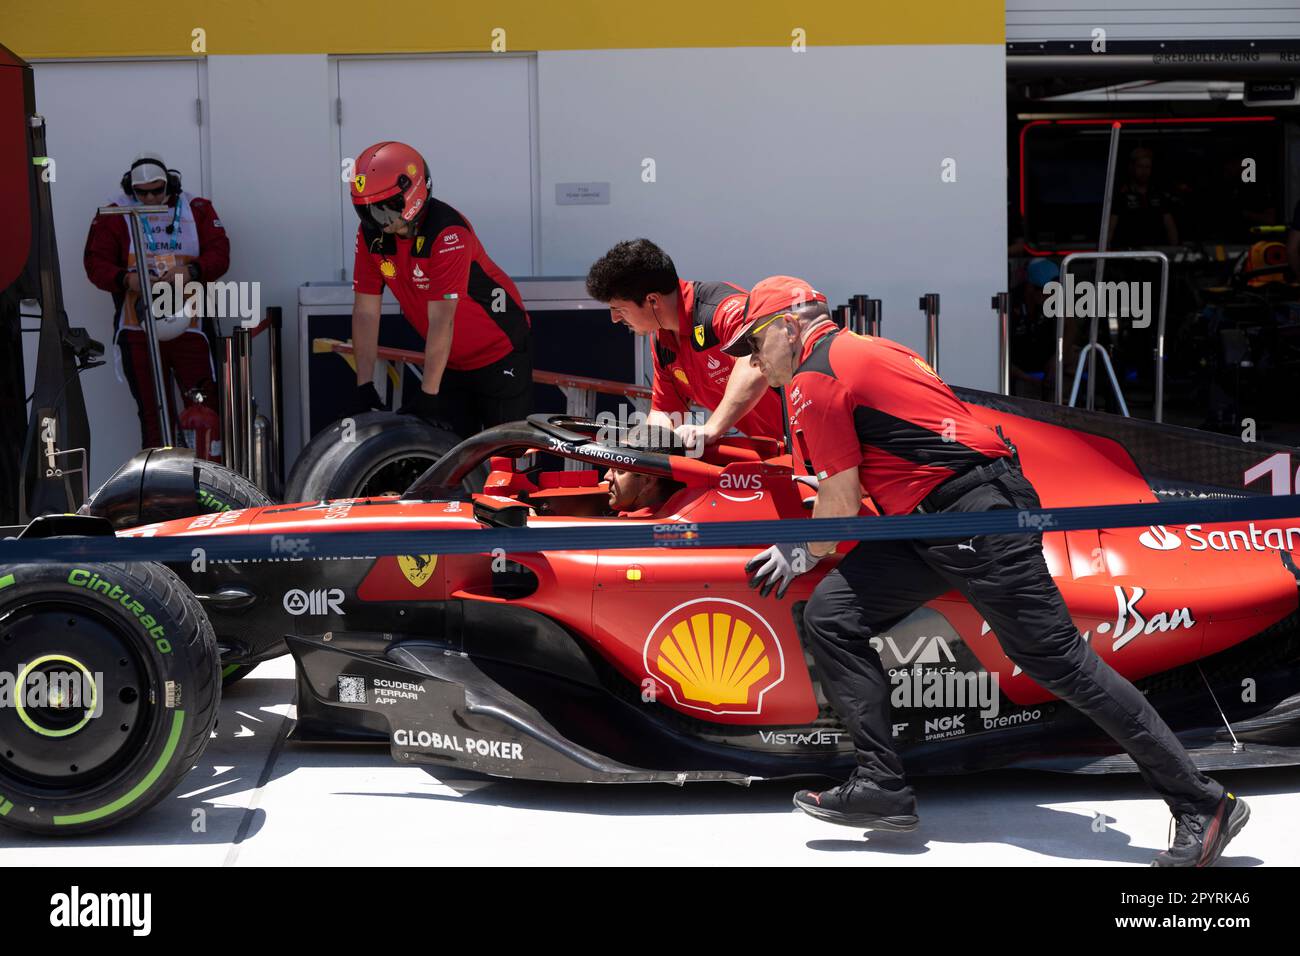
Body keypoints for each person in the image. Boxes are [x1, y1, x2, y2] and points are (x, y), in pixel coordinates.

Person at [724, 274, 1249, 867]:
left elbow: (839, 507)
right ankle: (881, 785)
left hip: (968, 519)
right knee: (833, 614)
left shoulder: (813, 380)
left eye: (754, 344)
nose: (752, 362)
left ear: (789, 329)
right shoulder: (871, 347)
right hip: (941, 517)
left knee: (1062, 665)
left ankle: (1201, 801)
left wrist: (799, 550)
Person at [349, 141, 532, 438]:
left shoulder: (448, 233)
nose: (377, 221)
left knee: (508, 457)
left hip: (499, 351)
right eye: (366, 211)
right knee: (449, 459)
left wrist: (429, 395)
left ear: (414, 194)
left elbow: (442, 319)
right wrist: (364, 383)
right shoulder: (370, 235)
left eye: (385, 209)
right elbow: (366, 312)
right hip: (450, 359)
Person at [83, 153, 229, 448]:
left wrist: (191, 270)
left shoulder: (196, 209)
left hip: (191, 326)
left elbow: (220, 253)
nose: (150, 197)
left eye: (157, 190)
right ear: (131, 190)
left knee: (204, 408)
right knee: (153, 414)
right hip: (139, 328)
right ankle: (160, 484)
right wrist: (127, 279)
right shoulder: (113, 213)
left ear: (170, 185)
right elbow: (95, 263)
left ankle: (209, 477)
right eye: (142, 192)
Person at [585, 239, 784, 450]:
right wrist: (629, 454)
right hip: (781, 454)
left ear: (652, 300)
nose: (615, 319)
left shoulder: (721, 309)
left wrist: (711, 428)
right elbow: (665, 416)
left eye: (619, 309)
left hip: (813, 440)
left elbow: (756, 362)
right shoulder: (662, 341)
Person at [1108, 147, 1179, 249]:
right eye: (1140, 166)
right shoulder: (1121, 196)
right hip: (1128, 255)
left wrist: (1174, 252)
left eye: (1147, 167)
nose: (1144, 171)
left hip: (1155, 254)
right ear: (1132, 167)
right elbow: (1110, 229)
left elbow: (1170, 227)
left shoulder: (1158, 195)